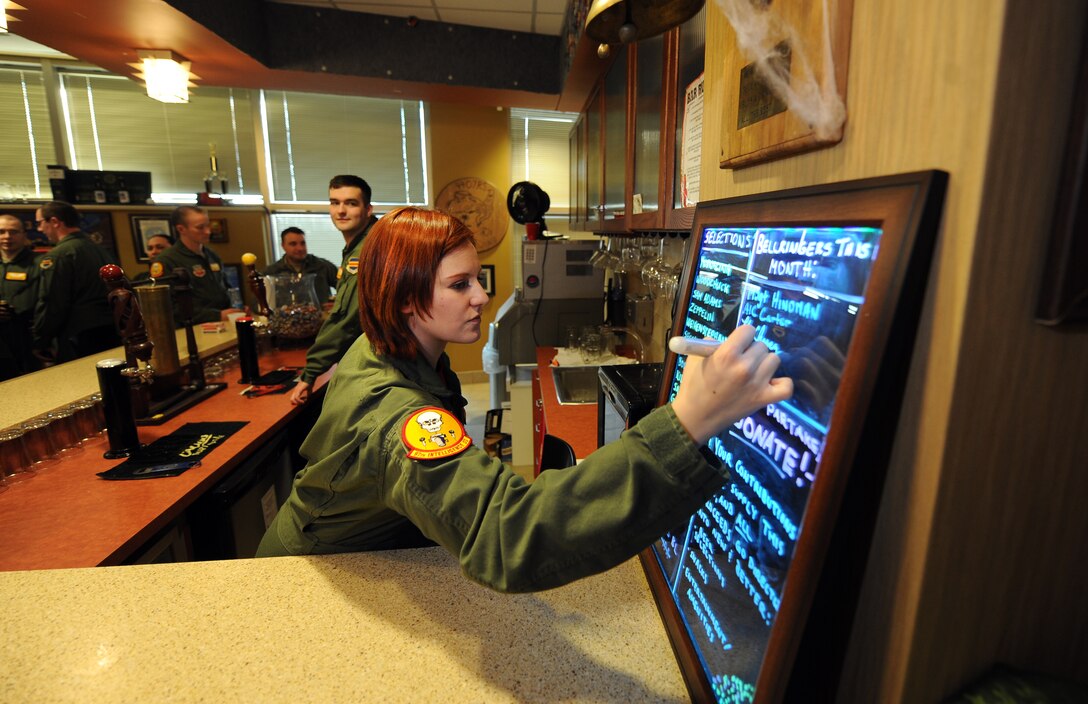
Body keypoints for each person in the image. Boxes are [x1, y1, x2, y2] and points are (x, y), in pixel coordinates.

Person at [257, 207, 793, 594]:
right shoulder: (397, 417)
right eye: (460, 284)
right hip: (306, 582)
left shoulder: (391, 343)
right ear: (403, 301)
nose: (482, 296)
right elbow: (508, 536)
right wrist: (688, 423)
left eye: (476, 279)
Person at [288, 175, 378, 405]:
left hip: (382, 364)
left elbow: (348, 319)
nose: (341, 211)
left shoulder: (367, 249)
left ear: (368, 209)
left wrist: (310, 373)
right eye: (334, 202)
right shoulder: (356, 244)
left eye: (351, 203)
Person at [31, 201, 120, 364]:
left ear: (54, 221)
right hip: (111, 329)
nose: (39, 229)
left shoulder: (59, 254)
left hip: (79, 335)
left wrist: (40, 340)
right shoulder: (99, 249)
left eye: (40, 223)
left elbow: (53, 302)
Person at [151, 205, 244, 324]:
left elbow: (224, 288)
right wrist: (216, 315)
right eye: (200, 227)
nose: (208, 231)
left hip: (222, 323)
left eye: (207, 225)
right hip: (192, 327)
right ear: (181, 229)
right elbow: (168, 306)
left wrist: (236, 308)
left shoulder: (211, 255)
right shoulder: (167, 260)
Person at [0, 214, 43, 379]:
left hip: (28, 339)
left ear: (24, 235)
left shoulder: (39, 263)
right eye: (1, 231)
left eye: (13, 232)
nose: (7, 237)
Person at [263, 226, 339, 299]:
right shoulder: (271, 272)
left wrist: (336, 304)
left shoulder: (323, 266)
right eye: (293, 244)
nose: (300, 248)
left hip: (320, 312)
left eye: (303, 243)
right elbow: (258, 303)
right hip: (286, 311)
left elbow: (346, 288)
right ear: (283, 246)